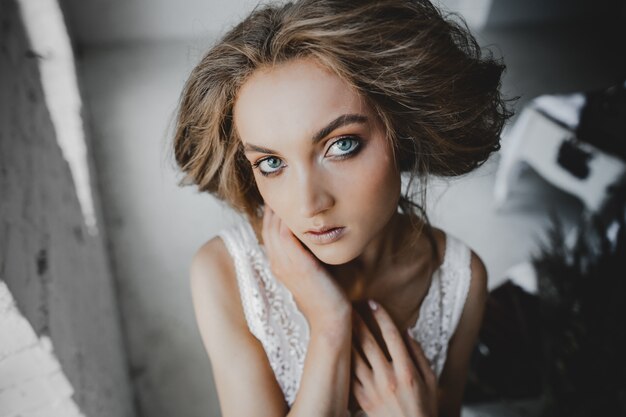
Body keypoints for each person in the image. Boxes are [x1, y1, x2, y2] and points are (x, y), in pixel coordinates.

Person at [172, 0, 511, 416]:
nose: (310, 204)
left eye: (342, 145)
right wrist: (330, 328)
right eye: (271, 163)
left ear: (399, 131)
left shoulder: (459, 280)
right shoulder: (226, 273)